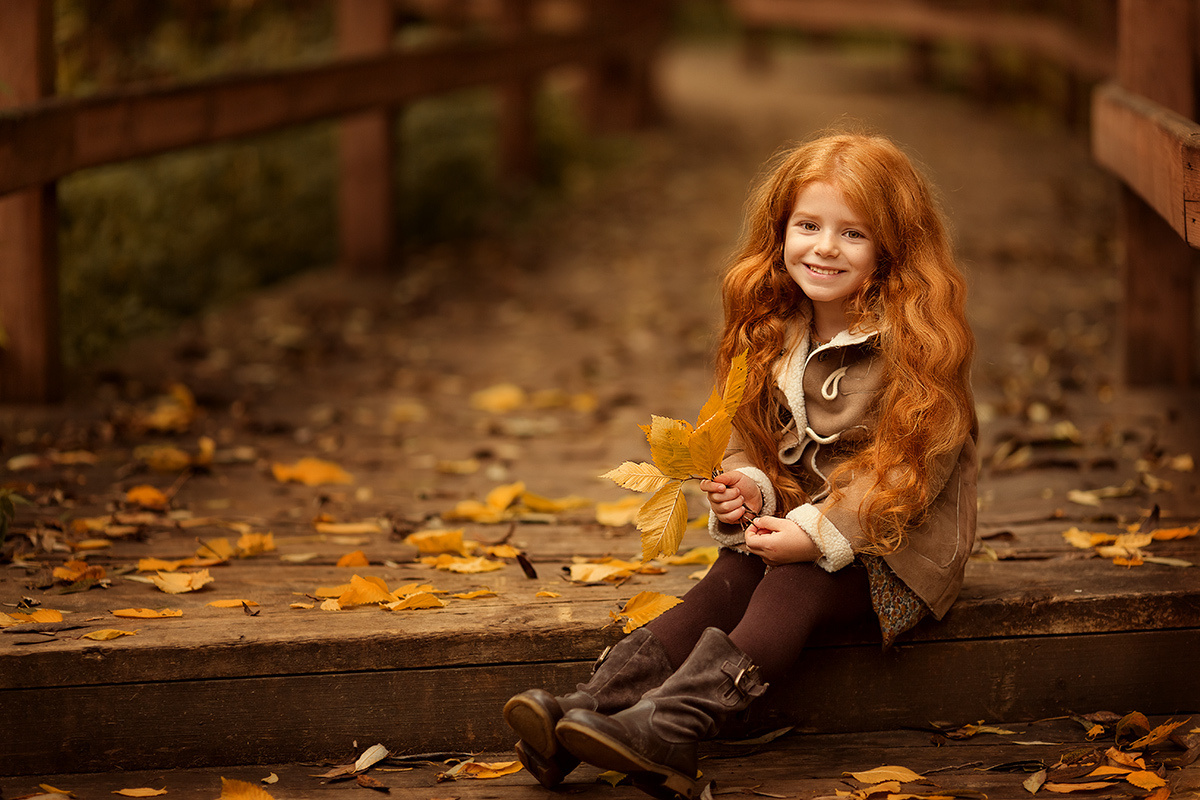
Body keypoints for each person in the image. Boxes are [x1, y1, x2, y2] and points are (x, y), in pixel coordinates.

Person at [503, 131, 978, 800]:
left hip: (896, 549)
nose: (824, 247)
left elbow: (904, 472)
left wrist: (815, 532)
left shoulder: (916, 350)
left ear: (892, 250)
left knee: (793, 578)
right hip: (797, 525)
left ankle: (674, 725)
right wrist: (748, 487)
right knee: (725, 580)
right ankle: (584, 711)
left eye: (852, 234)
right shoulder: (775, 329)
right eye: (808, 225)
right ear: (781, 230)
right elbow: (745, 436)